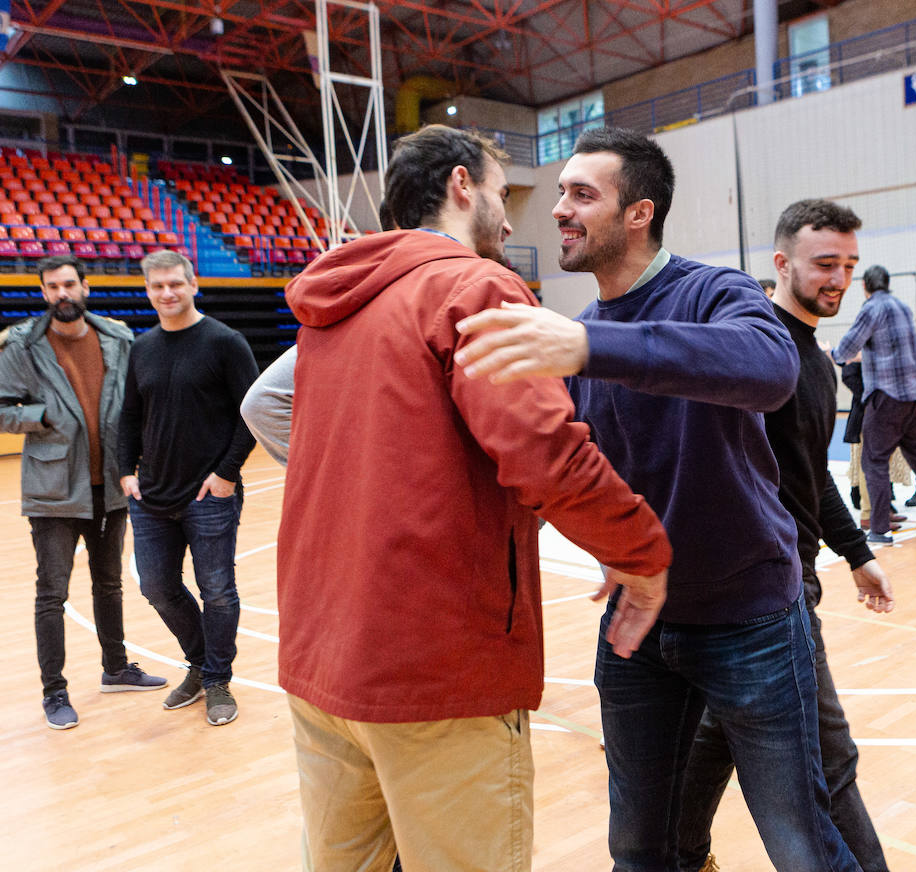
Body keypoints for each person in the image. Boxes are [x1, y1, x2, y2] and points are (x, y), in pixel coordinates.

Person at [456, 127, 859, 872]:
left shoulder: (714, 291)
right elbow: (582, 467)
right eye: (562, 193)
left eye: (582, 194)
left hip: (753, 623)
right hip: (640, 632)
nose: (561, 210)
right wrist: (613, 544)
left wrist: (587, 348)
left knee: (799, 842)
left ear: (638, 213)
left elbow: (769, 368)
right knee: (639, 847)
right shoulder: (582, 335)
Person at [272, 124, 672, 872]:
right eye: (499, 191)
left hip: (321, 660)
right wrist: (642, 553)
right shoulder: (473, 285)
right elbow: (545, 452)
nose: (512, 217)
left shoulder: (332, 306)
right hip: (434, 670)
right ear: (461, 186)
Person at [678, 199, 896, 872]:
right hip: (769, 594)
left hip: (787, 580)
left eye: (850, 266)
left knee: (719, 730)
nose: (839, 278)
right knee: (830, 764)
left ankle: (678, 855)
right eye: (825, 263)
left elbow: (807, 474)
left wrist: (858, 554)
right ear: (783, 263)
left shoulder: (817, 362)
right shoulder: (752, 351)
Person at [0, 254, 166, 730]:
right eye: (51, 287)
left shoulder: (119, 339)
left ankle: (117, 668)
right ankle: (54, 691)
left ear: (85, 286)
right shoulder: (25, 346)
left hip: (114, 485)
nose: (61, 294)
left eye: (68, 284)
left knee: (110, 584)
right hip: (54, 491)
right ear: (44, 293)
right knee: (52, 594)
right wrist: (39, 416)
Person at [117, 249, 258, 726]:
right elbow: (130, 417)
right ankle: (202, 664)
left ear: (193, 284)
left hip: (208, 495)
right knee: (156, 585)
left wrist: (226, 474)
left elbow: (250, 414)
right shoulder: (143, 348)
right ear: (148, 291)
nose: (167, 293)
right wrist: (125, 472)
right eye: (157, 286)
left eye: (175, 283)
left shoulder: (225, 343)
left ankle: (216, 680)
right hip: (152, 497)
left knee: (217, 590)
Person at [833, 266, 916, 544]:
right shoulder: (903, 307)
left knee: (873, 460)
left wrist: (833, 355)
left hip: (887, 396)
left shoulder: (871, 308)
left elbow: (848, 347)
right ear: (888, 283)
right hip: (914, 395)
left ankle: (880, 529)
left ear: (865, 286)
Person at [841, 358, 911, 530]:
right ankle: (869, 515)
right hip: (869, 413)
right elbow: (848, 373)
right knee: (870, 466)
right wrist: (870, 398)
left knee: (881, 465)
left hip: (884, 411)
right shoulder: (863, 340)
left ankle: (882, 510)